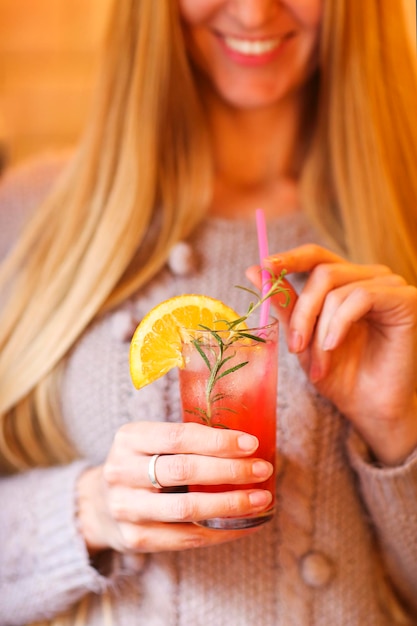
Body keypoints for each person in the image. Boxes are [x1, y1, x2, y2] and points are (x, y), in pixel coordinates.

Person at [1, 0, 417, 624]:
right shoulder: (33, 211)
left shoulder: (404, 224)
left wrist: (400, 429)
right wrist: (88, 510)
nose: (253, 12)